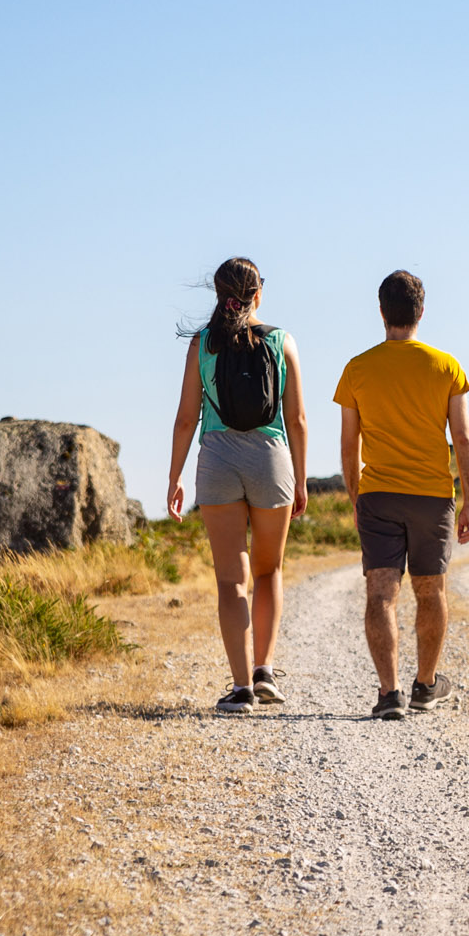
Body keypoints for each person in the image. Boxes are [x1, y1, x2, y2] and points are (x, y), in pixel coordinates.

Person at [165, 256, 309, 714]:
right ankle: (264, 670)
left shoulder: (203, 344)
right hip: (271, 460)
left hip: (219, 460)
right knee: (269, 571)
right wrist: (300, 479)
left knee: (232, 580)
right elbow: (298, 420)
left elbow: (188, 417)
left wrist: (174, 477)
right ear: (258, 294)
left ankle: (241, 687)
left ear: (218, 294)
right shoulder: (283, 342)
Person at [334, 269, 469, 720]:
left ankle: (388, 693)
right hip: (432, 496)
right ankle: (425, 686)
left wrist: (357, 498)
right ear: (421, 312)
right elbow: (464, 437)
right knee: (430, 590)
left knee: (381, 591)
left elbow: (348, 445)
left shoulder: (357, 369)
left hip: (378, 494)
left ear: (381, 312)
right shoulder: (445, 366)